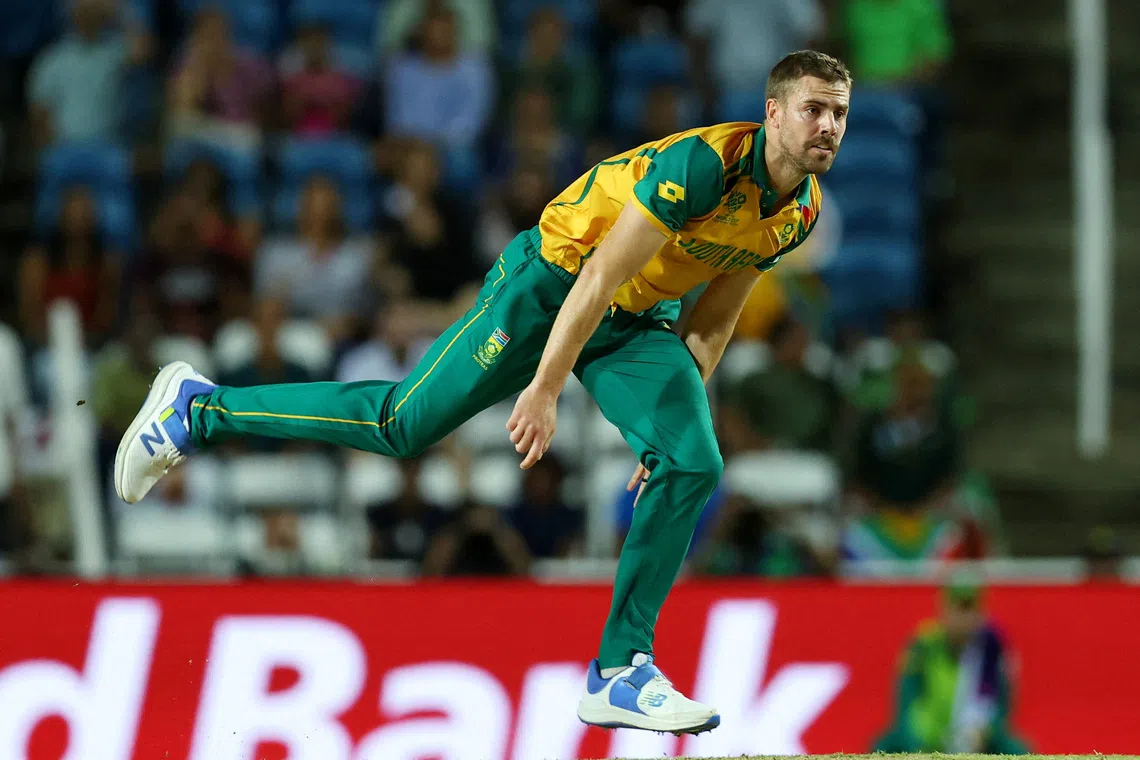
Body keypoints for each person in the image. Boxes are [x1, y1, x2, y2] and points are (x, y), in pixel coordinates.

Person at [115, 50, 851, 735]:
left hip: (634, 320)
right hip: (550, 284)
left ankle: (621, 671)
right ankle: (197, 410)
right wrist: (545, 387)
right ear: (773, 112)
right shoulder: (703, 164)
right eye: (813, 109)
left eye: (839, 113)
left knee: (694, 463)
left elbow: (717, 316)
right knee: (401, 425)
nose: (828, 126)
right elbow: (597, 274)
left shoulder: (800, 212)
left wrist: (668, 430)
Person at [874, 577, 1031, 754]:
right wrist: (917, 747)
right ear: (943, 609)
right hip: (926, 740)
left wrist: (985, 734)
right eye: (956, 608)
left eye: (969, 608)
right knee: (882, 746)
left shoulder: (992, 649)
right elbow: (906, 703)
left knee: (1018, 750)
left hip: (974, 741)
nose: (962, 618)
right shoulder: (924, 644)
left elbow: (1001, 710)